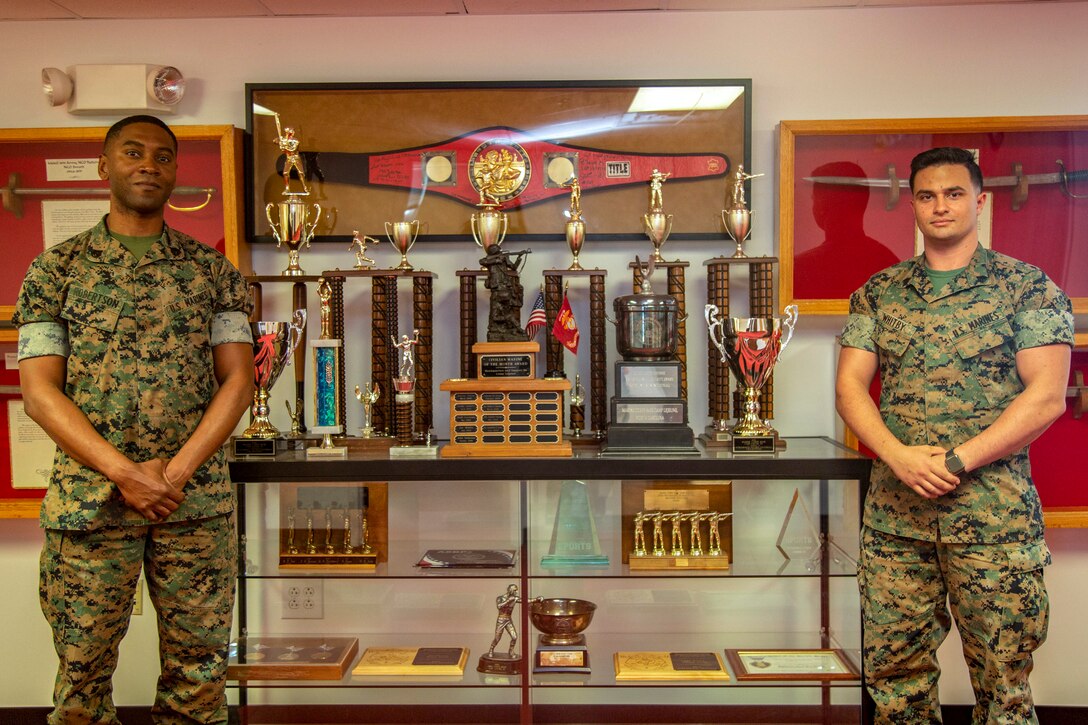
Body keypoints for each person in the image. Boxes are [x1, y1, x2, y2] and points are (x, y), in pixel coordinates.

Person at [13, 115, 255, 725]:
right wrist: (127, 474)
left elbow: (239, 380)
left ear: (175, 171)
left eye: (163, 156)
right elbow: (40, 393)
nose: (149, 164)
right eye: (133, 152)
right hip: (91, 502)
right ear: (104, 166)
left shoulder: (212, 272)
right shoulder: (55, 271)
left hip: (191, 503)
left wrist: (171, 475)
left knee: (198, 674)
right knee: (82, 674)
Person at [835, 147, 1073, 723]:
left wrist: (958, 460)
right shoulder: (878, 292)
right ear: (913, 205)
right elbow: (849, 389)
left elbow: (1044, 398)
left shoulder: (1028, 289)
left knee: (1004, 687)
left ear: (980, 201)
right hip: (897, 521)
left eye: (954, 193)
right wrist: (897, 457)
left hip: (993, 522)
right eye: (926, 195)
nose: (940, 206)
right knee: (896, 684)